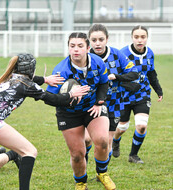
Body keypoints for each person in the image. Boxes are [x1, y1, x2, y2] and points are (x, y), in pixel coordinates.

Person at [0, 53, 90, 190]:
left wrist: (45, 79)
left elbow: (31, 79)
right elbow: (53, 99)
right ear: (32, 68)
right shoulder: (26, 85)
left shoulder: (11, 76)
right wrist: (71, 94)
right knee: (29, 151)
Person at [46, 32, 113, 190]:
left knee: (103, 141)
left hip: (92, 107)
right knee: (77, 155)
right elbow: (48, 98)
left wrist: (99, 103)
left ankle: (102, 173)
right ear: (68, 48)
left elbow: (104, 83)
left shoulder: (97, 62)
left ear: (88, 48)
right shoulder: (61, 71)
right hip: (69, 114)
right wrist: (69, 95)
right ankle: (81, 183)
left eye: (80, 46)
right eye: (72, 46)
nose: (76, 49)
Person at [84, 23, 139, 188]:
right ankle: (83, 170)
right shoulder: (85, 56)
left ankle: (101, 173)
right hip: (91, 104)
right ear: (90, 41)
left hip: (114, 104)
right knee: (87, 140)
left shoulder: (117, 55)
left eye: (101, 39)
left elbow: (134, 73)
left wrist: (116, 76)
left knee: (106, 141)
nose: (98, 43)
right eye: (94, 40)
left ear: (107, 39)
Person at [112, 25, 163, 164]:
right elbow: (115, 75)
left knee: (141, 126)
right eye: (136, 37)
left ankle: (133, 155)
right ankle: (115, 140)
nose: (140, 40)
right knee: (122, 127)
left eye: (143, 37)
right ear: (132, 38)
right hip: (123, 95)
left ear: (147, 38)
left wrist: (158, 90)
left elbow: (151, 73)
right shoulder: (122, 53)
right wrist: (128, 84)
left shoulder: (150, 53)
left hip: (142, 94)